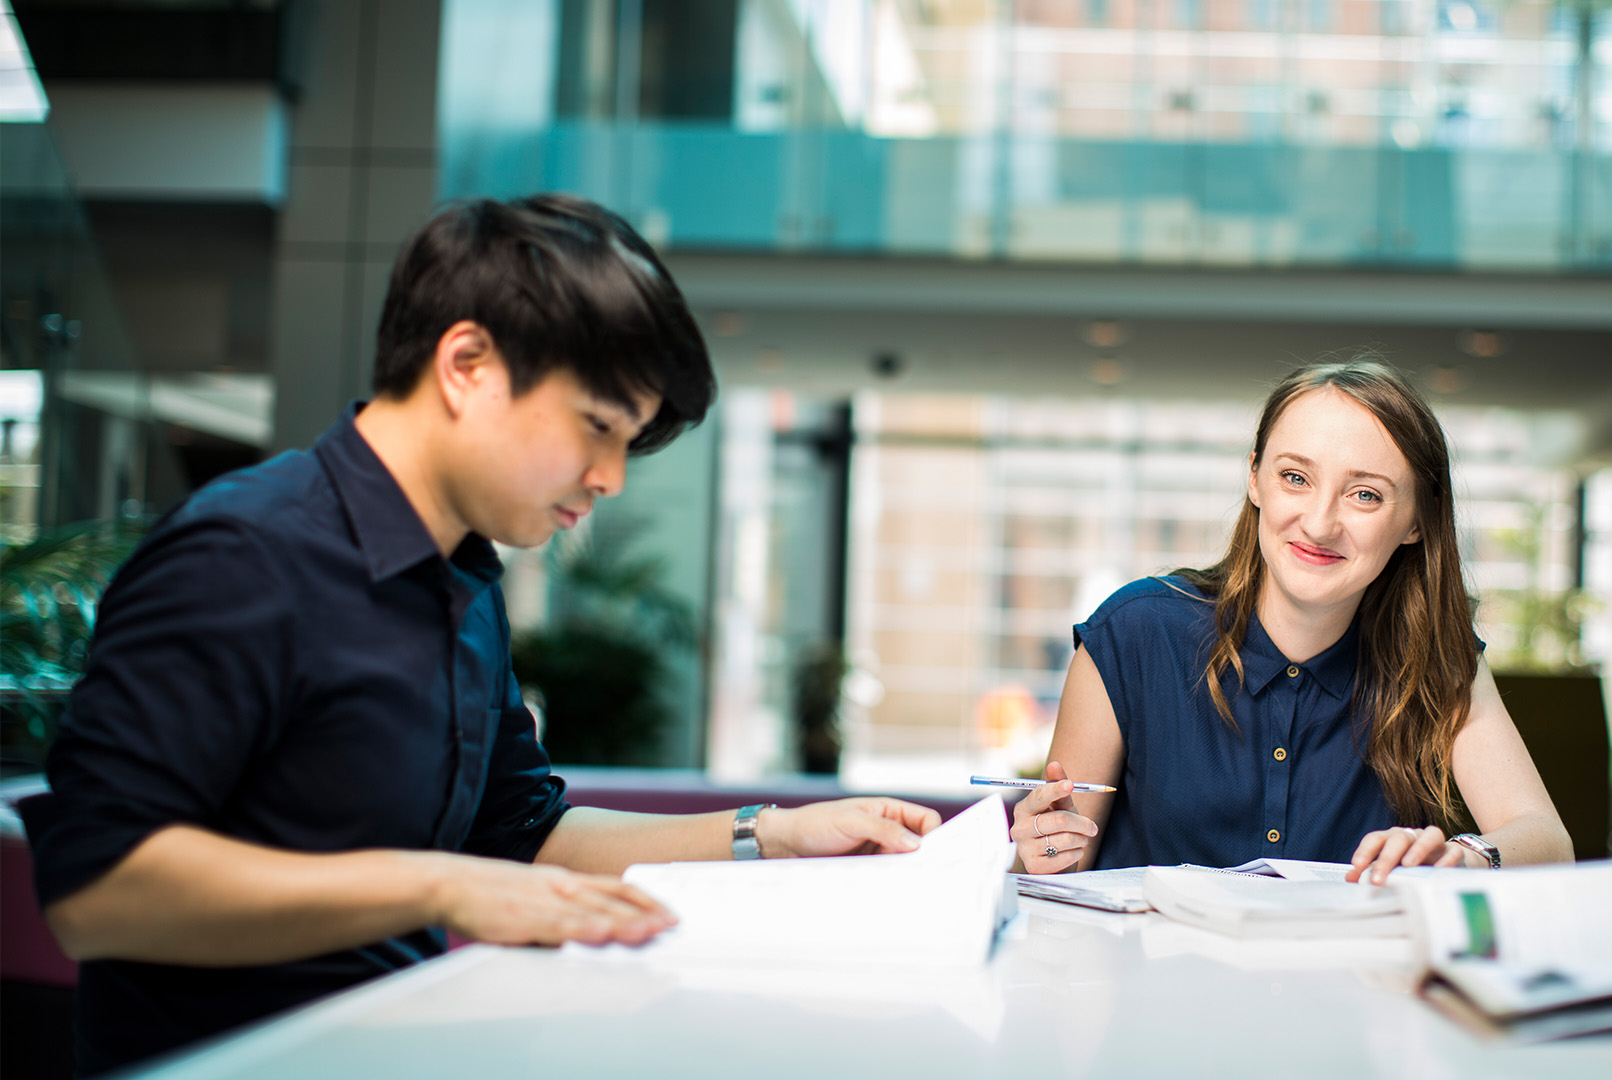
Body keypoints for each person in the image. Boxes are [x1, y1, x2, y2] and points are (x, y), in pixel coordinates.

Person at [21, 195, 940, 1076]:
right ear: (467, 365)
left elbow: (525, 835)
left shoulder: (462, 579)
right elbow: (100, 890)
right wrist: (437, 887)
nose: (611, 477)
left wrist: (772, 835)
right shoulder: (246, 553)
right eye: (598, 428)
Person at [1011, 359, 1572, 883]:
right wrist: (1033, 853)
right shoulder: (1134, 632)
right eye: (1296, 478)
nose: (1320, 524)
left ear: (1416, 523)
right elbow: (1053, 873)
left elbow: (1547, 841)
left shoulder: (1436, 659)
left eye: (1365, 495)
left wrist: (1466, 857)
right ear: (1254, 478)